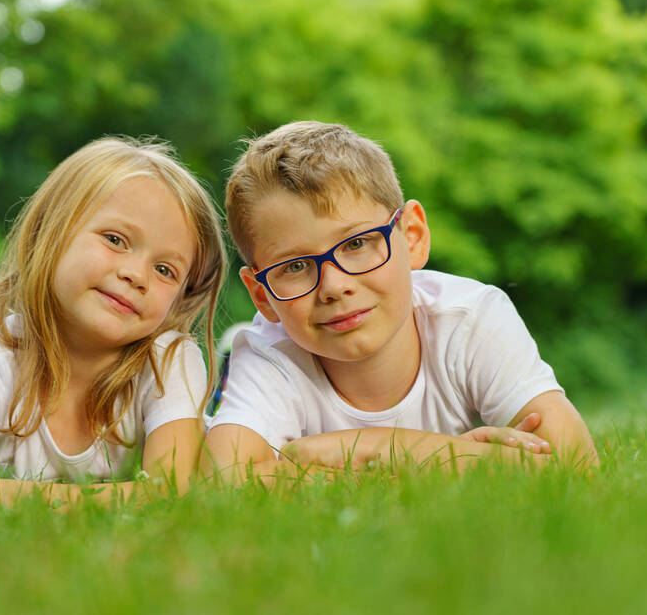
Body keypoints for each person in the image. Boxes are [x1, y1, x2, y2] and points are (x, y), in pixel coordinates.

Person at [203, 121, 598, 483]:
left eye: (357, 243)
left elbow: (575, 465)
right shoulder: (271, 357)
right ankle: (229, 377)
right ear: (262, 295)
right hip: (265, 358)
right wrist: (465, 458)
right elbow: (224, 480)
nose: (334, 287)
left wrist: (374, 448)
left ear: (412, 236)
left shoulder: (470, 318)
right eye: (295, 267)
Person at [0, 137, 225, 505]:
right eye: (115, 239)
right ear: (49, 232)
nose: (137, 275)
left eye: (165, 270)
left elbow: (173, 494)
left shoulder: (168, 361)